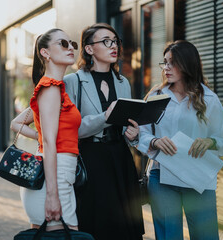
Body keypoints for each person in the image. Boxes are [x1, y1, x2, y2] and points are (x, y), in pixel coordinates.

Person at [137, 40, 223, 240]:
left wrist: (210, 142)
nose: (166, 68)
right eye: (165, 62)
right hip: (161, 178)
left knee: (205, 236)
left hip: (198, 179)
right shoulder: (156, 95)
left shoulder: (209, 99)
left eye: (173, 62)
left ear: (188, 64)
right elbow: (141, 133)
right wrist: (154, 141)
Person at [63, 23, 144, 240]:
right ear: (89, 49)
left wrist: (133, 135)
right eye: (106, 41)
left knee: (124, 226)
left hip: (120, 158)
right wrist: (105, 117)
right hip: (91, 159)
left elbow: (126, 123)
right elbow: (72, 129)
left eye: (115, 41)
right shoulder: (73, 81)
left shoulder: (123, 81)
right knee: (97, 223)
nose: (113, 46)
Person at [11, 28, 81, 231]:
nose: (70, 48)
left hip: (58, 174)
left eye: (72, 44)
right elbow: (50, 142)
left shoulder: (55, 89)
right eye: (63, 43)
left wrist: (40, 137)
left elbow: (16, 123)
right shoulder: (50, 88)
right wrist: (52, 195)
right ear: (45, 52)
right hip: (54, 177)